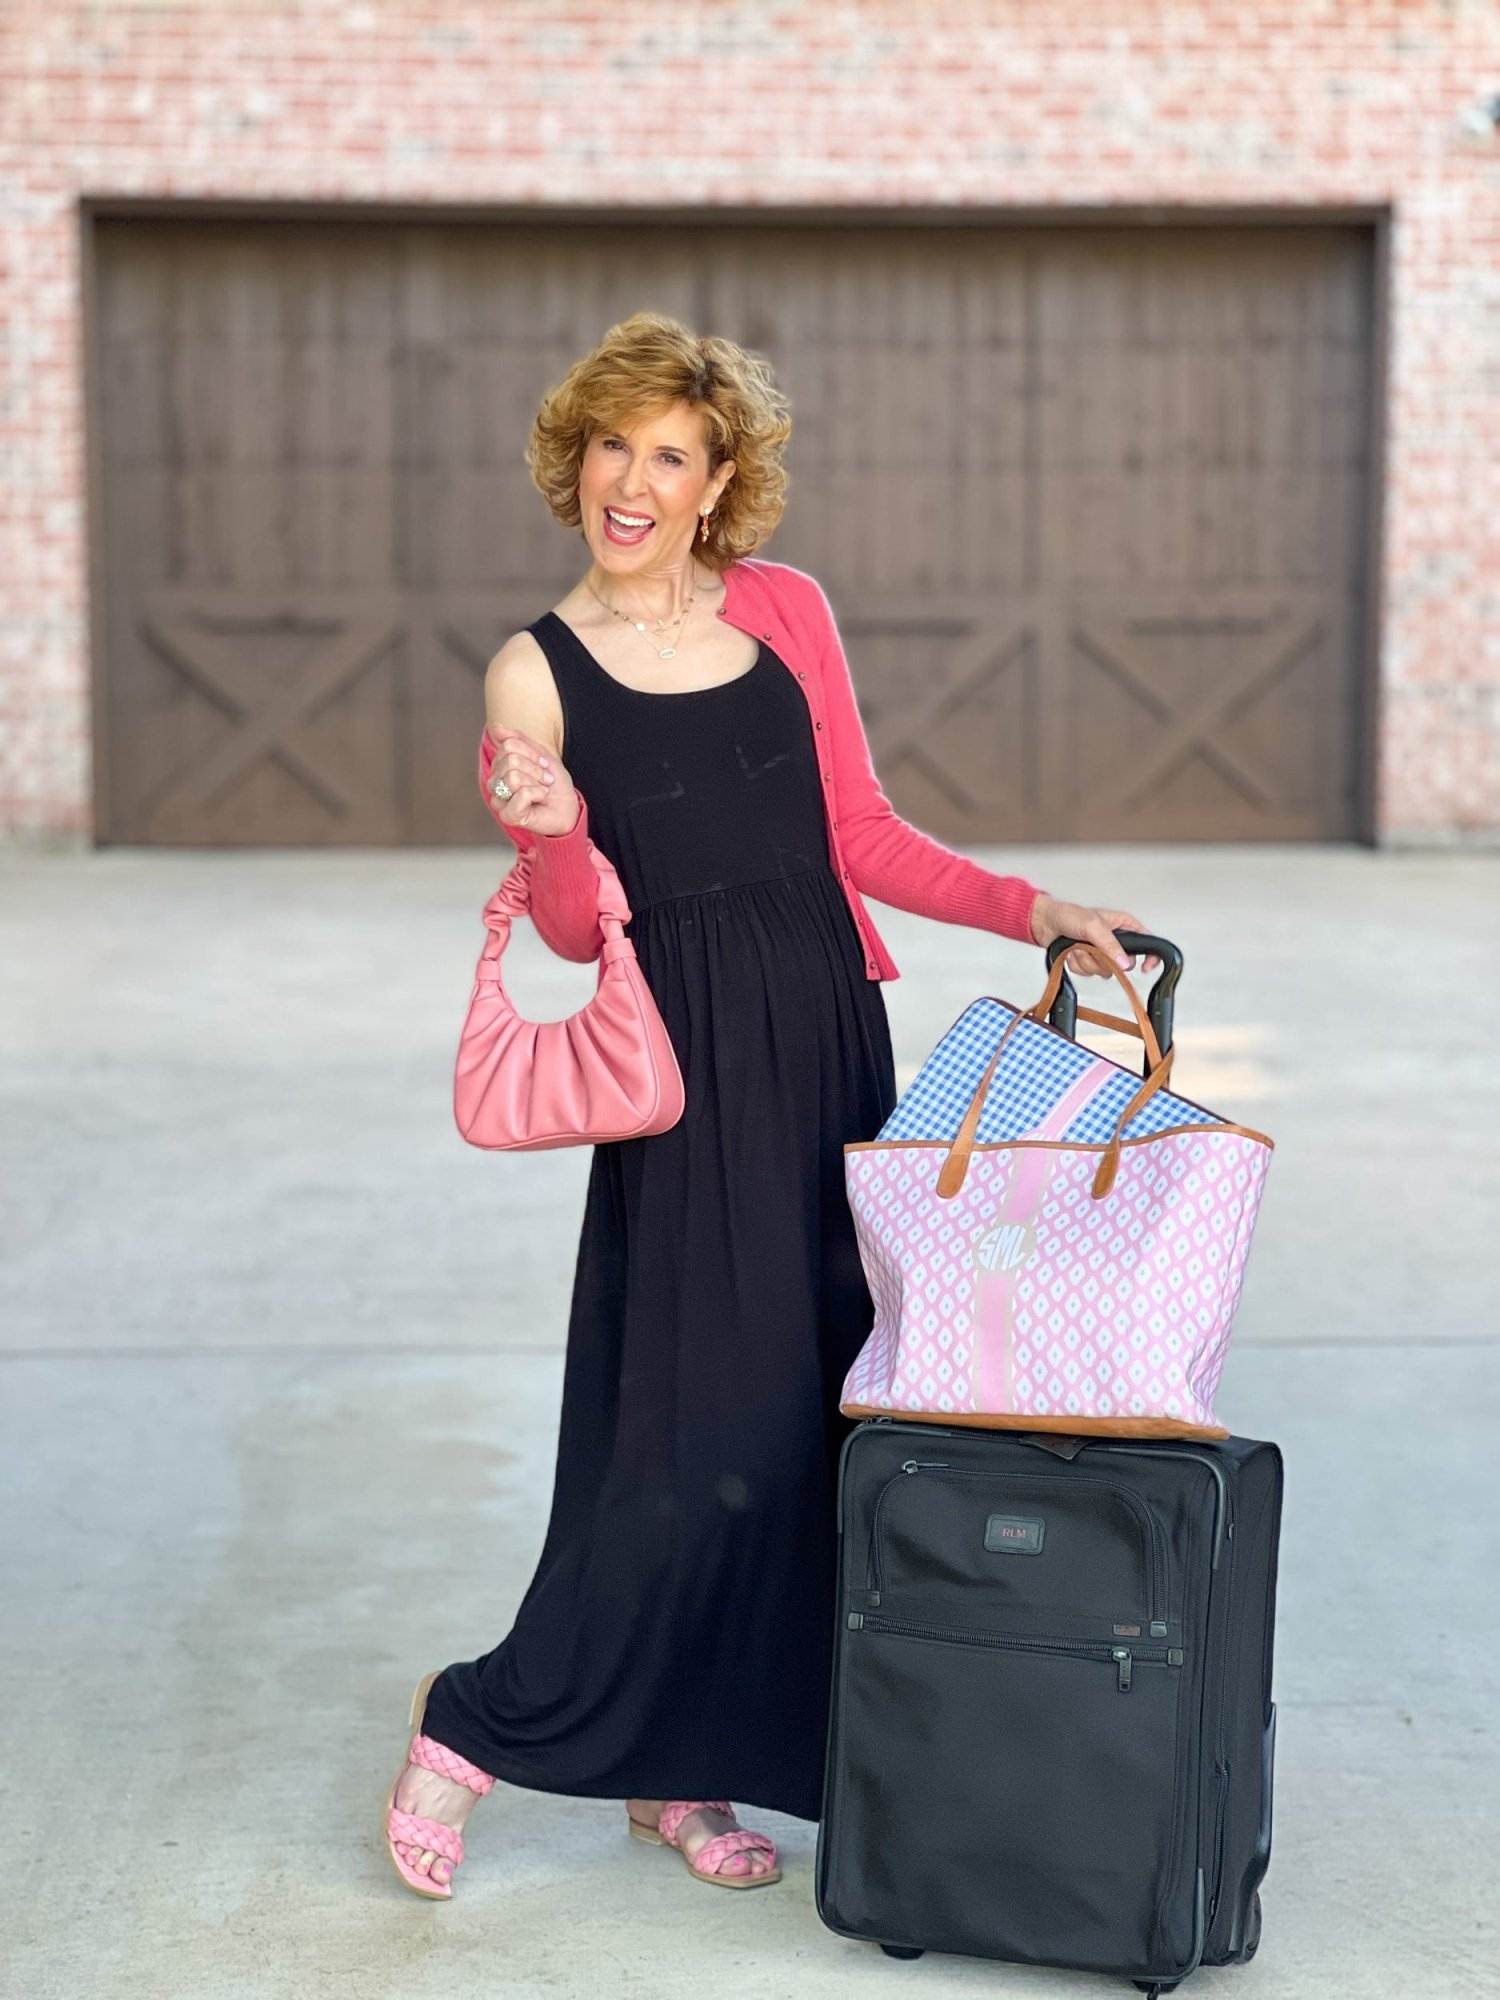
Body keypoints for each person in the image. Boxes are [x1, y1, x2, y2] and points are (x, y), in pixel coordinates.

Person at [383, 311, 1159, 1901]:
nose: (635, 478)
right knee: (681, 1430)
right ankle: (472, 1726)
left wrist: (1035, 912)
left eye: (672, 452)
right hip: (687, 1080)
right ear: (575, 457)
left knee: (807, 1419)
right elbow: (576, 932)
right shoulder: (533, 669)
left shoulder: (788, 612)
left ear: (720, 476)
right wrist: (541, 830)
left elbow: (861, 835)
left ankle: (686, 1771)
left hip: (824, 1039)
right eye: (614, 444)